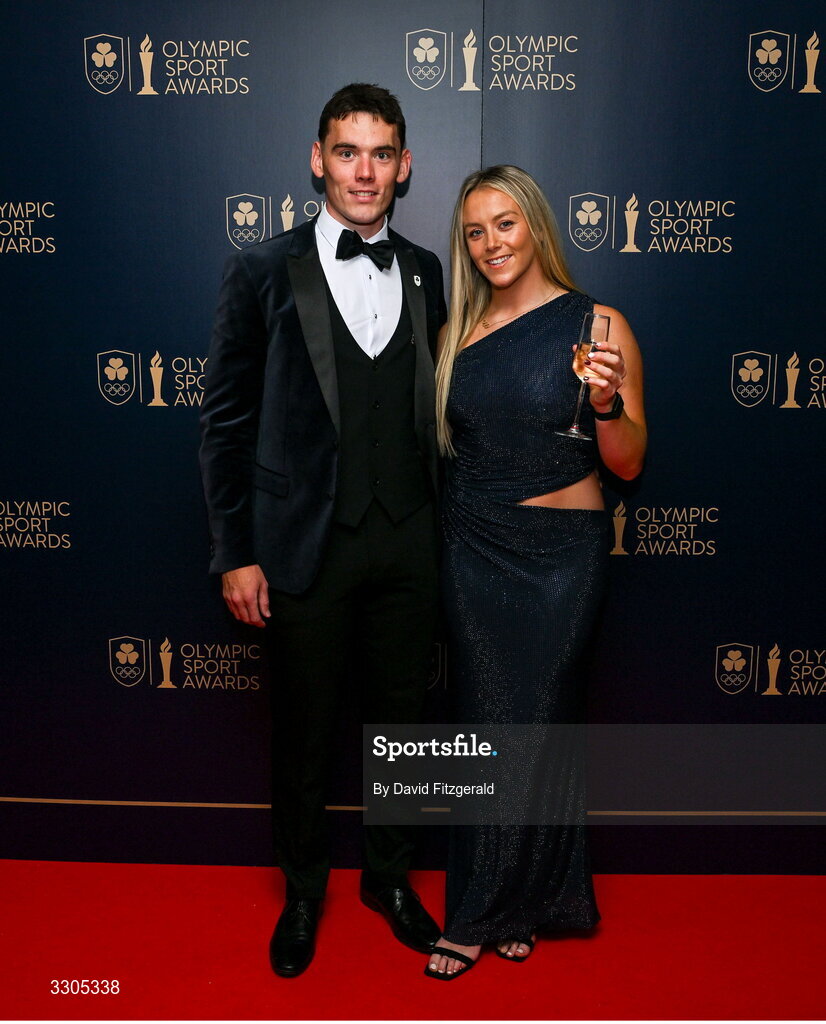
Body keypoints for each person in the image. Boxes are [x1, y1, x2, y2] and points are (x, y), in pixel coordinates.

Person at [199, 83, 446, 978]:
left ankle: (390, 879)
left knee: (406, 727)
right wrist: (237, 552)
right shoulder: (262, 269)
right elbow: (224, 424)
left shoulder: (427, 270)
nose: (365, 171)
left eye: (382, 154)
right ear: (317, 159)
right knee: (302, 731)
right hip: (304, 544)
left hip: (410, 540)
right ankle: (306, 890)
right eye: (349, 151)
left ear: (405, 165)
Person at [425, 166, 646, 979]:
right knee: (485, 722)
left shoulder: (599, 323)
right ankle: (497, 907)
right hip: (474, 551)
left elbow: (627, 462)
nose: (491, 244)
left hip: (563, 560)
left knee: (544, 723)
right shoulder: (459, 334)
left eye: (506, 224)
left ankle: (518, 902)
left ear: (536, 225)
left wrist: (607, 407)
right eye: (476, 231)